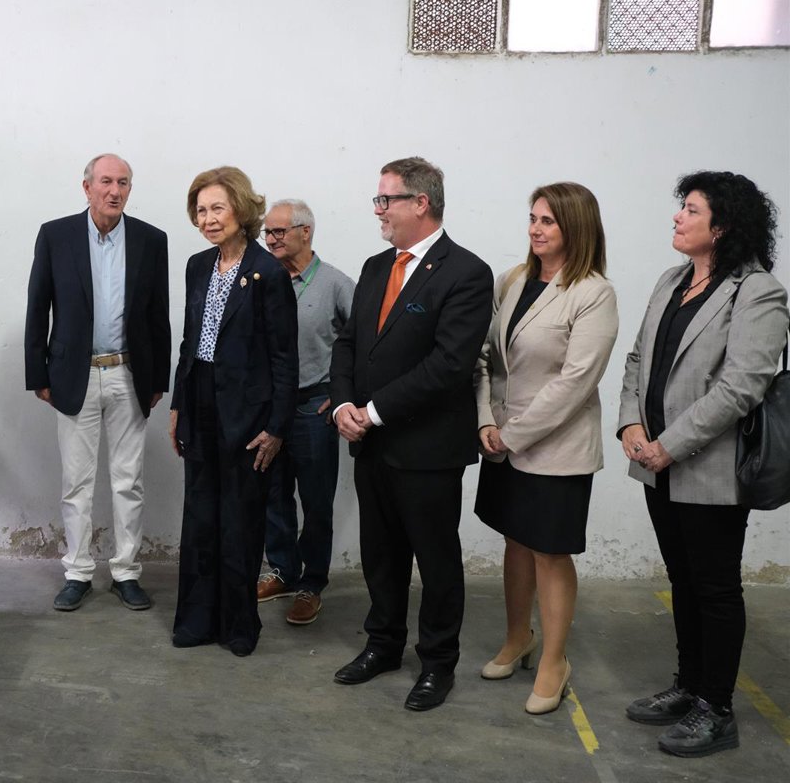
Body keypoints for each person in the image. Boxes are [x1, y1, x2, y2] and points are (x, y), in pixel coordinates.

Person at [618, 171, 789, 758]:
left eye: (691, 210)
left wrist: (670, 443)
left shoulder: (758, 291)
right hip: (655, 461)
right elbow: (638, 360)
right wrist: (630, 425)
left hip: (709, 469)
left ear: (722, 226)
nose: (677, 217)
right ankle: (689, 685)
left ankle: (717, 708)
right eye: (682, 207)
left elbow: (743, 386)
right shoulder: (671, 280)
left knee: (715, 589)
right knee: (682, 581)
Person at [330, 157, 492, 710]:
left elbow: (448, 366)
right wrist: (343, 405)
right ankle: (383, 645)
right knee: (381, 555)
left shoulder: (466, 272)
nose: (378, 210)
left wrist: (372, 411)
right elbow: (350, 343)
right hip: (371, 442)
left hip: (427, 449)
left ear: (420, 203)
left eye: (386, 200)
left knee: (436, 560)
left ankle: (438, 663)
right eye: (377, 200)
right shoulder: (377, 266)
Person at [473, 182, 619, 715]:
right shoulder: (512, 280)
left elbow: (576, 381)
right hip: (501, 438)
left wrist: (512, 434)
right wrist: (486, 419)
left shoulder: (594, 293)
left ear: (575, 227)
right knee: (516, 541)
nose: (535, 229)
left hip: (555, 448)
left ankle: (554, 661)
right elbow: (483, 356)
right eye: (533, 218)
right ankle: (519, 639)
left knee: (550, 552)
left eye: (548, 221)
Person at [25, 154, 170, 612]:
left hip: (130, 373)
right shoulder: (56, 235)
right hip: (75, 374)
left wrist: (158, 378)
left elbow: (159, 314)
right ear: (86, 187)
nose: (115, 191)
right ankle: (78, 572)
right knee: (77, 482)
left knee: (129, 481)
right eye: (106, 181)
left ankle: (126, 572)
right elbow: (38, 306)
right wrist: (37, 374)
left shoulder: (151, 239)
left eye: (123, 182)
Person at [169, 167, 297, 657]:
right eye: (201, 210)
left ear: (241, 209)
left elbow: (285, 358)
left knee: (239, 522)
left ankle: (239, 627)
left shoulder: (268, 272)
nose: (208, 219)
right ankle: (196, 621)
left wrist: (277, 427)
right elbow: (189, 342)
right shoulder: (198, 265)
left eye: (217, 208)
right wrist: (178, 405)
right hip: (199, 402)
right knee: (200, 517)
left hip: (248, 413)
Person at [258, 199, 354, 625]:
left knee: (316, 501)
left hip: (315, 407)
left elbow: (364, 341)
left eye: (279, 231)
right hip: (269, 406)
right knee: (273, 493)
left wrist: (346, 393)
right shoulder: (263, 279)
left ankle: (311, 584)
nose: (271, 239)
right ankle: (282, 571)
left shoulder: (336, 284)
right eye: (267, 232)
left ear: (305, 232)